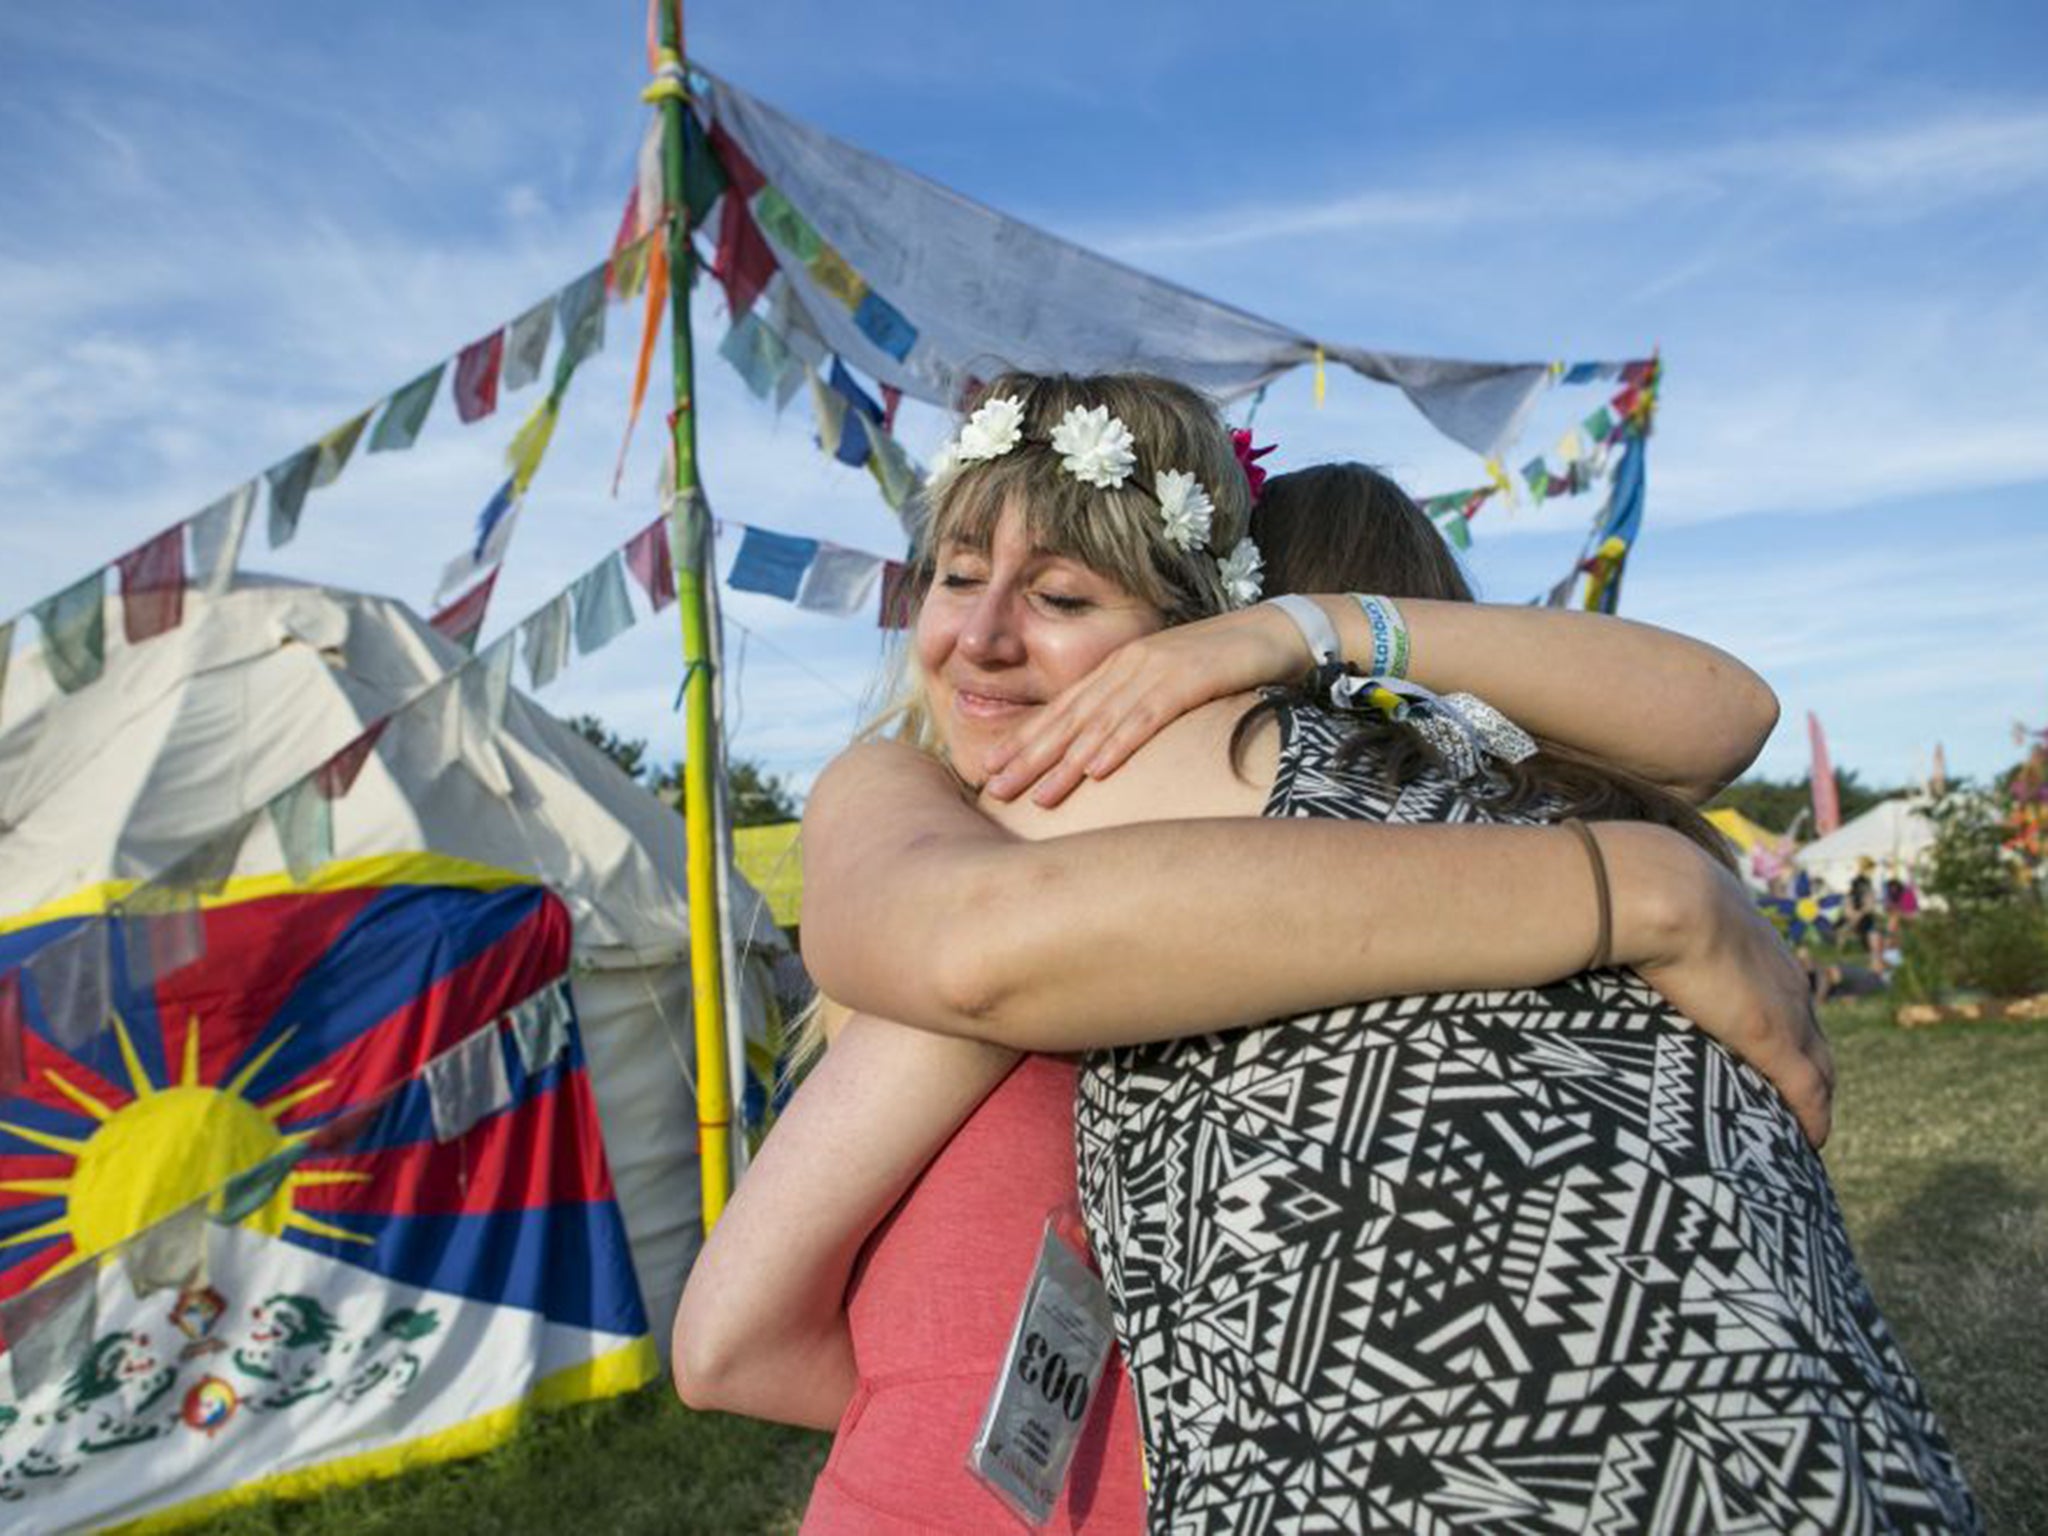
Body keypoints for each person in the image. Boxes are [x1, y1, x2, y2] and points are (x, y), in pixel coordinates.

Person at [676, 377, 1877, 1530]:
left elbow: (735, 1338)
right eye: (957, 577)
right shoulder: (1570, 822)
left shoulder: (1123, 822)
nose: (985, 636)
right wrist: (1632, 884)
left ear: (1186, 647)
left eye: (1064, 598)